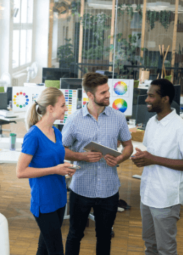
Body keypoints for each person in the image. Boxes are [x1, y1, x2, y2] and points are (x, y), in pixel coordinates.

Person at [62, 72, 133, 255]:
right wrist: (82, 156)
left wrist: (119, 158)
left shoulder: (118, 117)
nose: (108, 95)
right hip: (81, 189)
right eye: (103, 93)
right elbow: (62, 149)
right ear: (90, 95)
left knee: (104, 237)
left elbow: (128, 146)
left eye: (108, 90)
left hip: (109, 190)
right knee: (75, 235)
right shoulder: (74, 119)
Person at [131, 79, 183, 255]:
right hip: (147, 193)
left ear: (165, 99)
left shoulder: (181, 128)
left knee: (166, 250)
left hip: (166, 199)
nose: (146, 99)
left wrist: (152, 159)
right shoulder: (152, 122)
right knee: (150, 246)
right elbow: (149, 153)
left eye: (151, 96)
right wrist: (141, 158)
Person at [16, 87, 76, 255]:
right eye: (63, 105)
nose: (66, 109)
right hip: (44, 202)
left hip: (59, 197)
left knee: (44, 249)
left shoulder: (55, 131)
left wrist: (64, 168)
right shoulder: (33, 135)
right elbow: (20, 172)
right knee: (56, 251)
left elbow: (52, 160)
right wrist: (55, 169)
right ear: (50, 108)